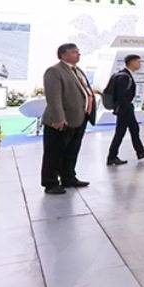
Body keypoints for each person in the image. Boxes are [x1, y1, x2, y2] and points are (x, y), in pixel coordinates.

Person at [41, 43, 97, 195]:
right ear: (63, 55)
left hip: (79, 117)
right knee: (54, 152)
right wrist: (59, 118)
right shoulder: (54, 71)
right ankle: (50, 183)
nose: (78, 54)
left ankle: (68, 177)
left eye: (78, 52)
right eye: (74, 52)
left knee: (72, 150)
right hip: (62, 120)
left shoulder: (77, 70)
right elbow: (54, 98)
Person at [105, 54, 144, 166]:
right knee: (120, 133)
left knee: (134, 129)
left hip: (126, 108)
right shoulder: (124, 76)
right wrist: (126, 108)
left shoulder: (125, 74)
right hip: (125, 109)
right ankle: (112, 157)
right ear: (131, 62)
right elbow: (121, 96)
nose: (139, 64)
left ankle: (140, 151)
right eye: (138, 62)